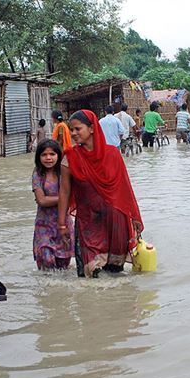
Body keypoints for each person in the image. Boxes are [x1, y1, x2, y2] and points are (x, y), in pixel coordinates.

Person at [57, 109, 143, 278]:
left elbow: (125, 189)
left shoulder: (113, 154)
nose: (73, 133)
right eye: (71, 129)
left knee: (115, 275)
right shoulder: (70, 158)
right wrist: (62, 224)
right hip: (88, 221)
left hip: (115, 220)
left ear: (91, 128)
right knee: (90, 274)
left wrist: (134, 217)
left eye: (77, 129)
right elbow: (64, 192)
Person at [32, 140, 74, 270]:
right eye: (44, 155)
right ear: (39, 157)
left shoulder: (65, 172)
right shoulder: (38, 174)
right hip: (44, 225)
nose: (48, 158)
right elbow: (42, 200)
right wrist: (65, 198)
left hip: (64, 224)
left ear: (58, 155)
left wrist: (60, 198)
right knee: (46, 260)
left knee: (63, 267)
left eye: (52, 154)